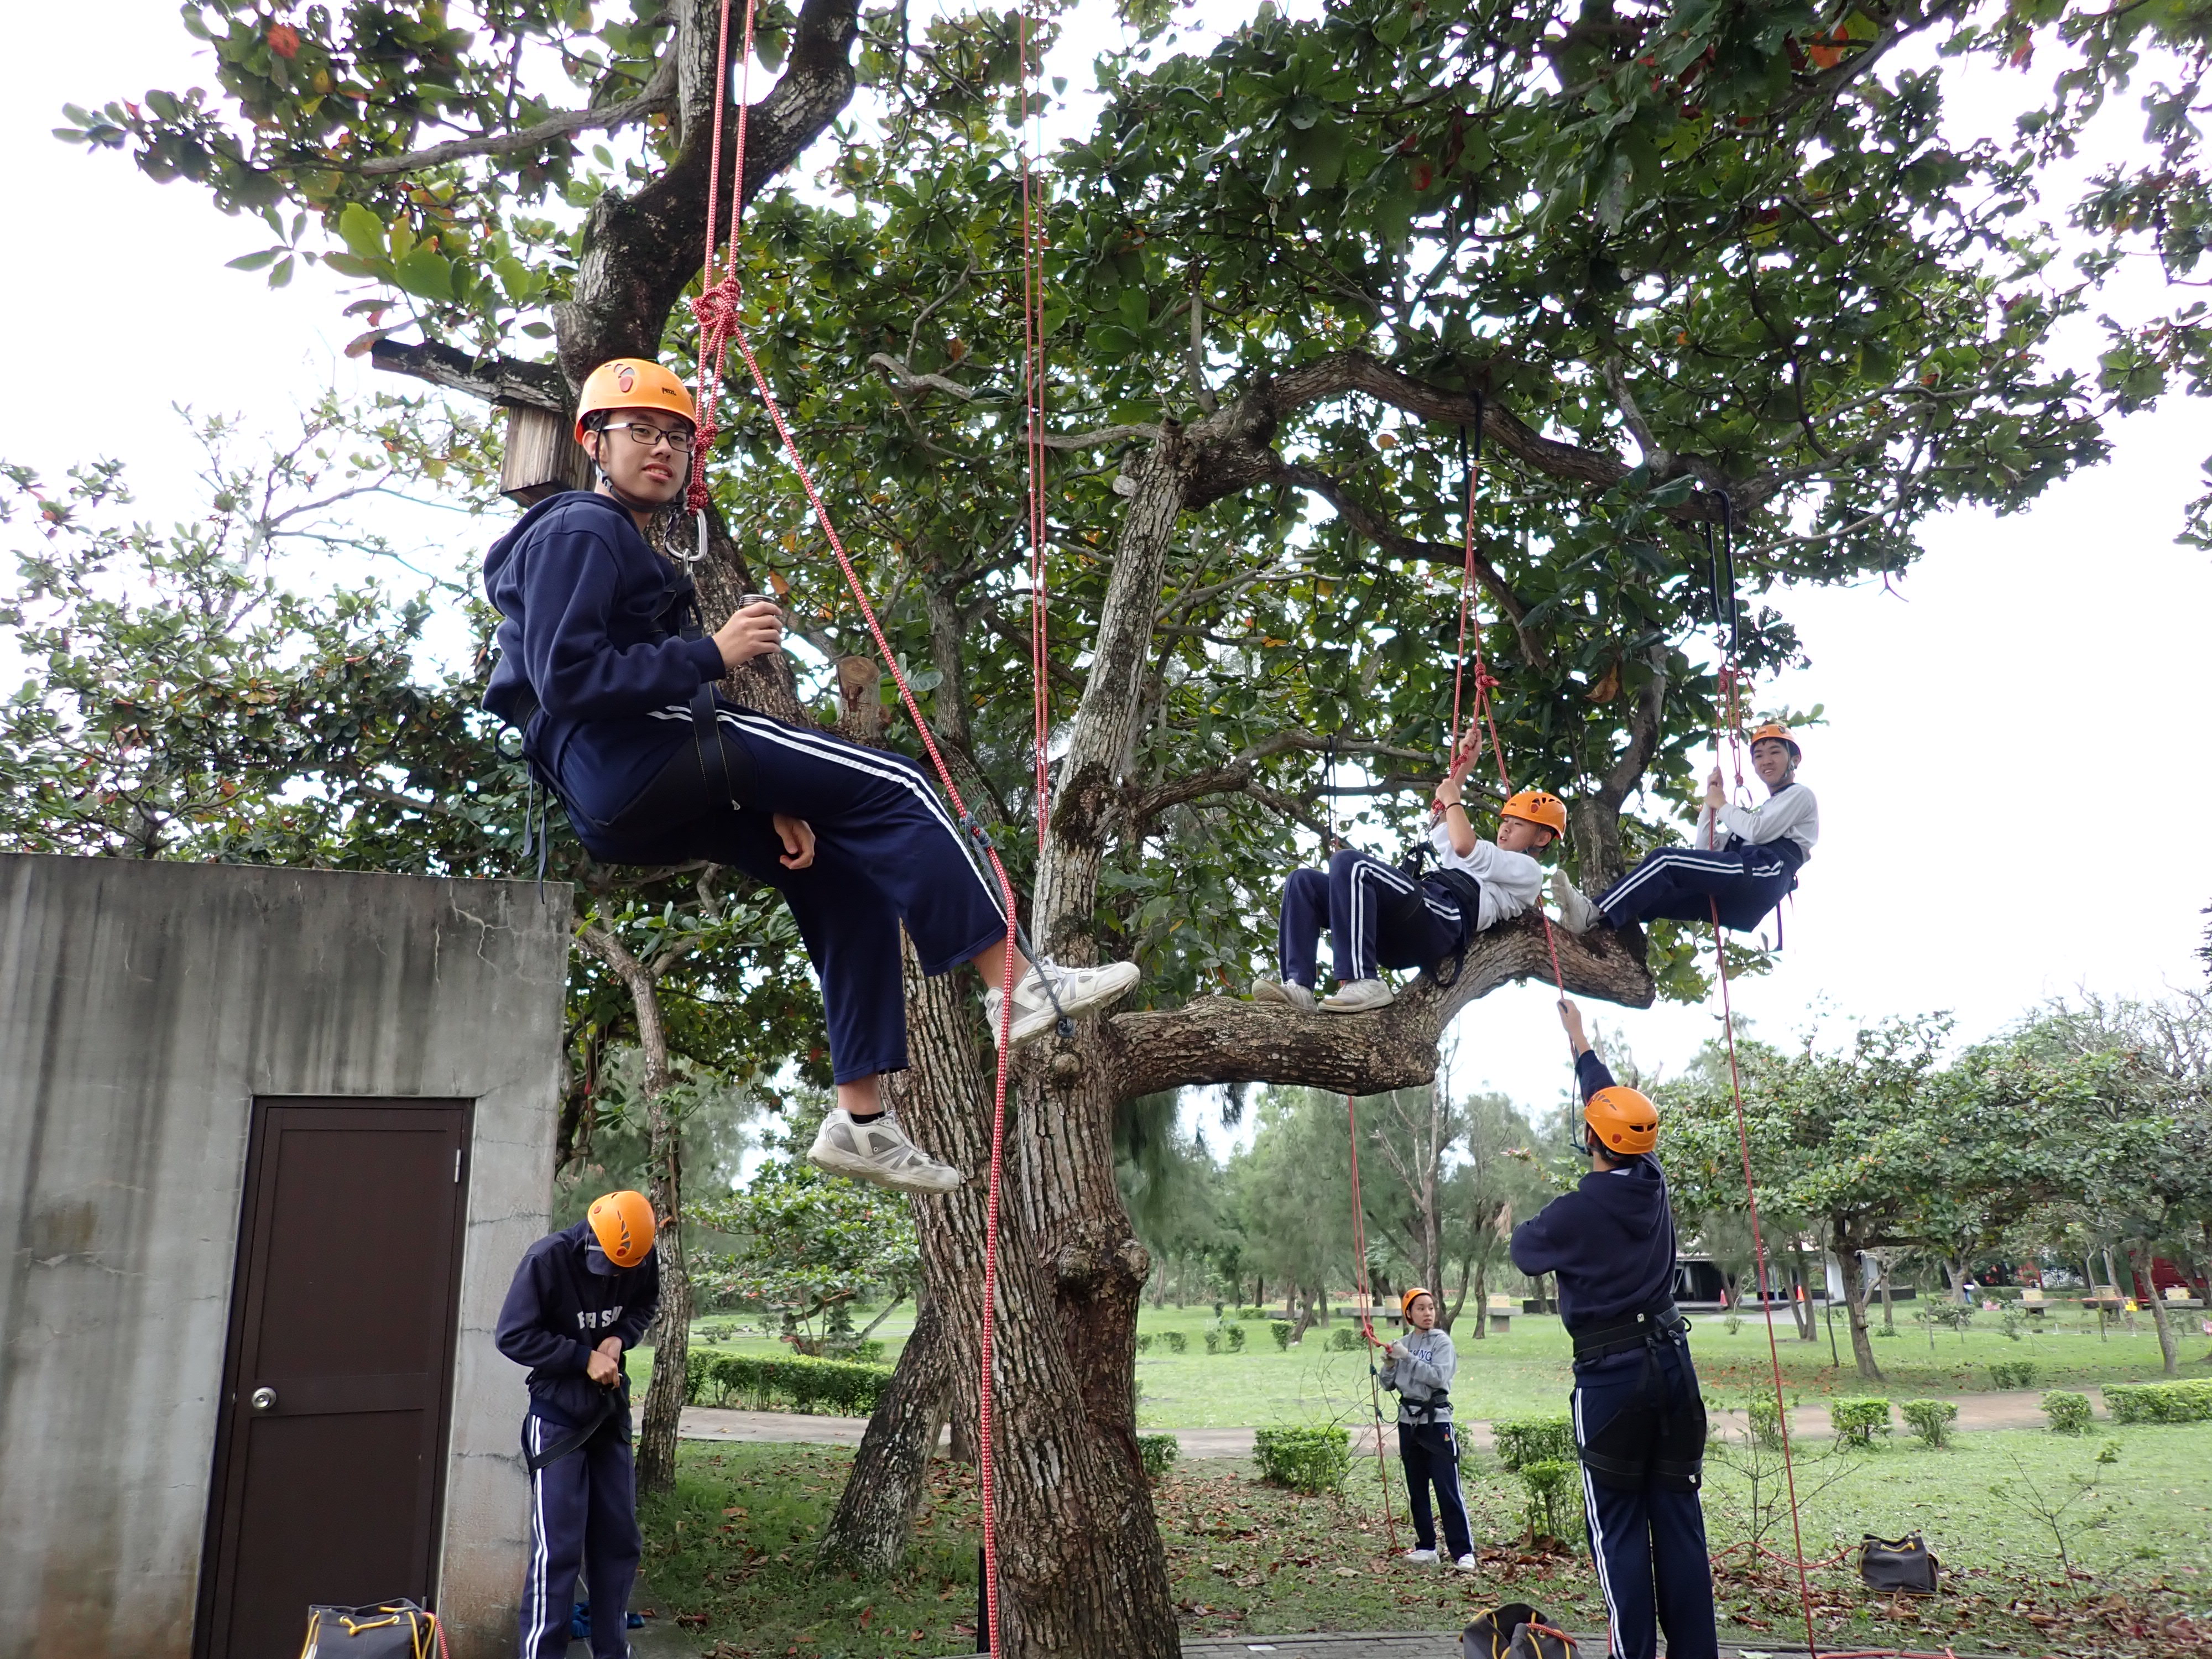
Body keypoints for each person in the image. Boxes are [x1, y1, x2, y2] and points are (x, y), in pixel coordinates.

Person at [483, 358, 1139, 1192]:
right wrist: (709, 654)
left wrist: (776, 793)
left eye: (678, 437)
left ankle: (861, 1121)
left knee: (841, 879)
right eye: (639, 431)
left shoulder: (615, 541)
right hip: (630, 748)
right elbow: (569, 678)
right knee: (897, 786)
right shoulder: (582, 527)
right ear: (592, 441)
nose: (662, 449)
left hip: (621, 788)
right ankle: (1018, 987)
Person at [1510, 1000, 1718, 1659]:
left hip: (1612, 1383)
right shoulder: (1651, 1179)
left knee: (1620, 1532)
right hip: (1674, 1370)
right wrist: (1579, 1041)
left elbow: (1524, 1251)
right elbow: (1608, 1101)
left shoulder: (1575, 1213)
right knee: (1679, 1523)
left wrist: (1516, 1220)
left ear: (1593, 1141)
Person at [1251, 754, 1567, 1013]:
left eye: (1519, 824)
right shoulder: (1480, 858)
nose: (1506, 829)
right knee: (1302, 882)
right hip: (1407, 926)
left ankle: (1363, 979)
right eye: (1506, 821)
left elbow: (1463, 845)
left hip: (1441, 920)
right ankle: (1300, 987)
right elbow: (1445, 827)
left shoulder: (1528, 872)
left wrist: (1455, 798)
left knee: (1349, 863)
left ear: (1541, 838)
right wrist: (1463, 769)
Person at [496, 1192, 662, 1659]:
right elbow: (512, 1335)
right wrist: (581, 1357)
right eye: (609, 1265)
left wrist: (617, 1338)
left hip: (609, 1414)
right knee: (560, 1552)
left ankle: (613, 1651)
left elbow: (644, 1304)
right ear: (592, 1238)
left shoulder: (642, 1256)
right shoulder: (547, 1260)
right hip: (558, 1420)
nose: (616, 1276)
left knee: (619, 1542)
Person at [1551, 723, 1814, 936]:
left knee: (1666, 861)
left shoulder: (1799, 795)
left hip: (1764, 876)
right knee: (1655, 896)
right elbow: (1706, 850)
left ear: (1795, 759)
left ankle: (1591, 911)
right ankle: (1591, 925)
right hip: (1744, 889)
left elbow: (1757, 832)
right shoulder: (1765, 812)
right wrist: (1710, 804)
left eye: (1775, 752)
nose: (1766, 761)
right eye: (1759, 755)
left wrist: (1722, 804)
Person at [1377, 1287, 1475, 1571]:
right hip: (1409, 1422)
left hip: (1437, 1421)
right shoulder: (1403, 1342)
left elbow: (1438, 1377)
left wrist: (1407, 1357)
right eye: (1420, 1308)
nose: (1428, 1313)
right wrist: (1390, 1363)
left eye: (1431, 1308)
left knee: (1447, 1487)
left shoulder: (1442, 1343)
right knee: (1417, 1487)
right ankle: (1426, 1546)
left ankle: (1462, 1551)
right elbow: (1387, 1384)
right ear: (1409, 1313)